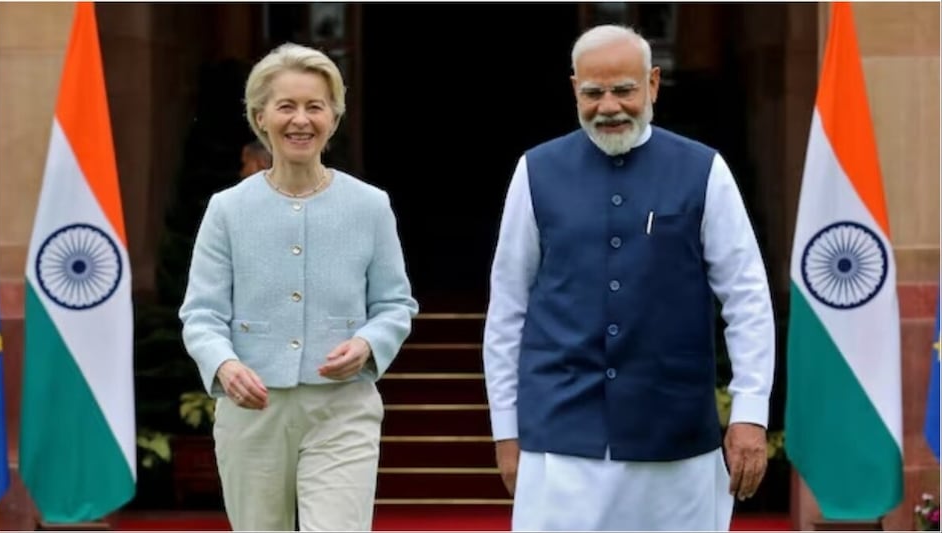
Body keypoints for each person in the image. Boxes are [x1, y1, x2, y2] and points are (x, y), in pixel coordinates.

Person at [482, 24, 775, 531]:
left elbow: (746, 296)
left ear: (654, 84)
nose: (609, 106)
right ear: (575, 88)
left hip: (676, 440)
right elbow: (509, 308)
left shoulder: (705, 170)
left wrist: (750, 411)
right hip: (561, 439)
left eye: (624, 89)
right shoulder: (535, 171)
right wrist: (506, 429)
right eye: (593, 92)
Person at [179, 42, 418, 531]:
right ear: (260, 116)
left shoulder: (370, 206)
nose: (301, 120)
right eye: (286, 106)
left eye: (316, 106)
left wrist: (369, 343)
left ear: (334, 116)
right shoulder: (226, 209)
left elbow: (395, 304)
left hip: (343, 409)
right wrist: (224, 365)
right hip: (252, 412)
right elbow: (201, 314)